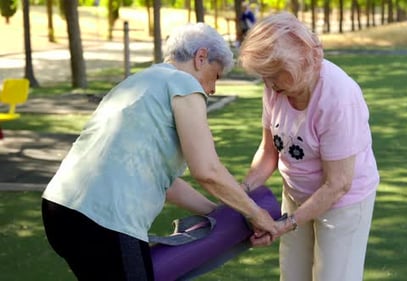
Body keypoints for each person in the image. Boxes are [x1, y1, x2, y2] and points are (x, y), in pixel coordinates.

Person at [41, 22, 279, 281]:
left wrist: (219, 215)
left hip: (59, 208)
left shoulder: (138, 82)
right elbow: (207, 170)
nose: (212, 89)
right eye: (216, 75)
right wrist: (255, 214)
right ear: (201, 58)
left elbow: (165, 183)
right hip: (105, 219)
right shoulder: (184, 84)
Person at [238, 12, 380, 281]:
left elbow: (338, 183)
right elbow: (269, 151)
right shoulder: (275, 88)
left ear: (305, 57)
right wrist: (242, 195)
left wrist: (288, 224)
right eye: (264, 76)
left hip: (342, 203)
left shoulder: (338, 97)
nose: (269, 85)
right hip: (295, 194)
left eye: (276, 74)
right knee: (292, 276)